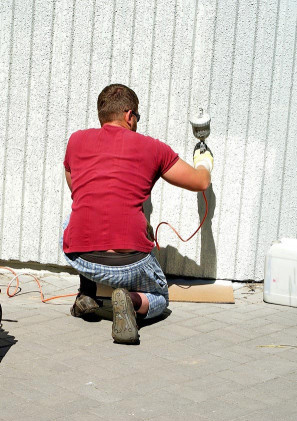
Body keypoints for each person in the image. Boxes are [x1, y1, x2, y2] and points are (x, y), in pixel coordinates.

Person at [61, 84, 213, 344]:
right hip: (130, 263)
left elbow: (76, 188)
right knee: (161, 299)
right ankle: (130, 301)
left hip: (82, 256)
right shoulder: (153, 148)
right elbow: (200, 182)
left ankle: (86, 294)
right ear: (129, 116)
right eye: (137, 118)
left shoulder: (76, 140)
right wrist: (203, 161)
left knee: (74, 217)